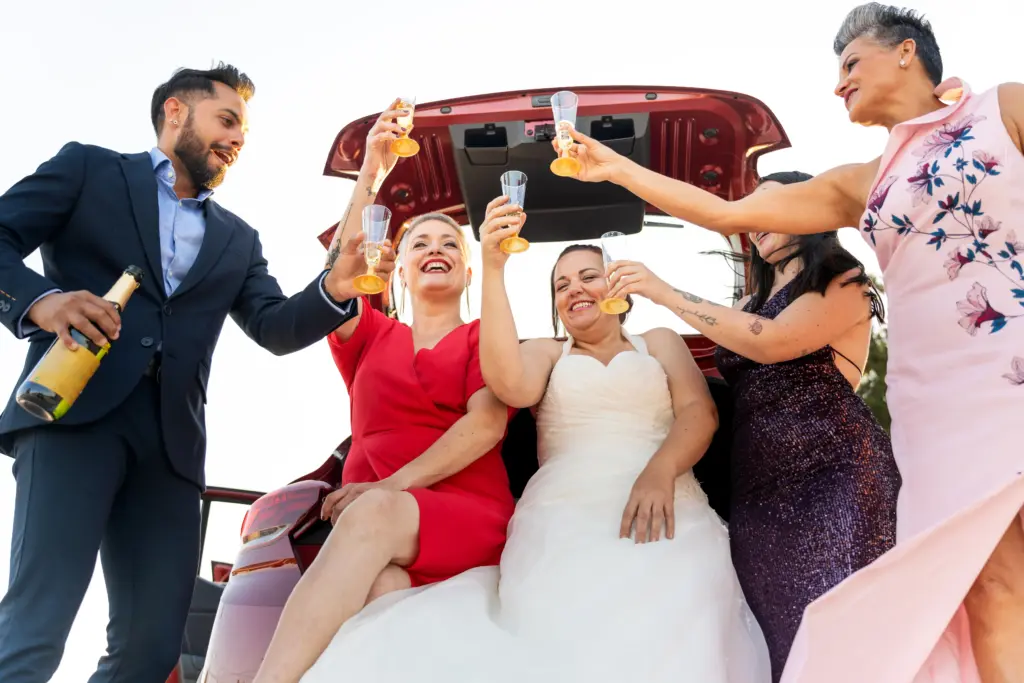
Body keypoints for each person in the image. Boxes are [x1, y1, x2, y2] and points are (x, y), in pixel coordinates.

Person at [554, 4, 1024, 682]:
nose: (838, 84)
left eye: (850, 63)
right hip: (935, 410)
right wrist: (619, 170)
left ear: (905, 53)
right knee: (990, 585)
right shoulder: (858, 182)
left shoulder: (1001, 107)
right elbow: (725, 212)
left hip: (1009, 363)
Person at [0, 64, 394, 683]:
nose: (238, 139)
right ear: (176, 112)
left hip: (171, 451)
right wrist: (40, 302)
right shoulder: (89, 170)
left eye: (244, 130)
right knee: (35, 628)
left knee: (152, 649)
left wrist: (335, 288)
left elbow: (276, 327)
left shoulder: (238, 239)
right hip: (74, 420)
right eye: (228, 120)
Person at [288, 196, 773, 683]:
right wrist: (495, 267)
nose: (575, 289)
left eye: (588, 275)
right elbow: (510, 386)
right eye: (561, 284)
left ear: (618, 284)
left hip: (665, 498)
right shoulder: (546, 352)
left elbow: (700, 412)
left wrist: (661, 471)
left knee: (682, 611)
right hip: (563, 512)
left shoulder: (661, 341)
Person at [251, 109, 518, 683]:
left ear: (469, 272)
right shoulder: (370, 333)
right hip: (376, 529)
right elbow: (340, 271)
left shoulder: (483, 338)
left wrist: (386, 489)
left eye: (450, 242)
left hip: (463, 513)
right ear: (398, 268)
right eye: (419, 241)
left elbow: (486, 428)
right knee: (381, 595)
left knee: (371, 518)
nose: (435, 247)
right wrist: (370, 168)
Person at [604, 170, 901, 681]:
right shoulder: (745, 303)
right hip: (759, 491)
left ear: (808, 215)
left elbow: (771, 342)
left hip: (837, 474)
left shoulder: (844, 280)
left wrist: (662, 291)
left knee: (840, 626)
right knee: (779, 637)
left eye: (770, 206)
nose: (754, 218)